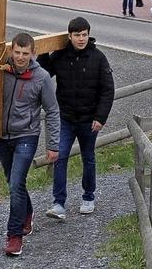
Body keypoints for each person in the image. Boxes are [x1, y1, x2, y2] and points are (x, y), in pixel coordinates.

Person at [0, 33, 60, 256]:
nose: (20, 57)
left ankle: (14, 237)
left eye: (25, 53)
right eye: (17, 52)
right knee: (13, 182)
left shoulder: (42, 78)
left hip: (26, 136)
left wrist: (53, 145)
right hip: (2, 136)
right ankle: (27, 212)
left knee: (15, 184)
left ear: (33, 53)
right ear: (11, 51)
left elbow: (52, 111)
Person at [38, 17, 115, 220]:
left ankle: (88, 197)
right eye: (77, 35)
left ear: (88, 35)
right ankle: (58, 203)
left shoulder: (98, 58)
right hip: (65, 118)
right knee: (59, 156)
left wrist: (101, 117)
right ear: (69, 36)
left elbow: (108, 90)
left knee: (88, 158)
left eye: (84, 35)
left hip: (90, 120)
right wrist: (44, 53)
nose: (81, 39)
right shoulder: (61, 56)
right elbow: (44, 74)